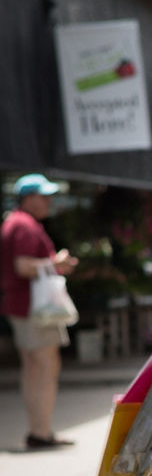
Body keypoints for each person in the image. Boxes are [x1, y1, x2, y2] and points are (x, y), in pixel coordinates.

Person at [2, 173, 79, 450]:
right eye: (43, 196)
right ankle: (41, 432)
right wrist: (55, 262)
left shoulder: (16, 223)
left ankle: (39, 430)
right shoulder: (23, 225)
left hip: (24, 306)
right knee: (45, 367)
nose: (48, 202)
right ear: (27, 198)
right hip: (34, 307)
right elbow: (23, 266)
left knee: (33, 368)